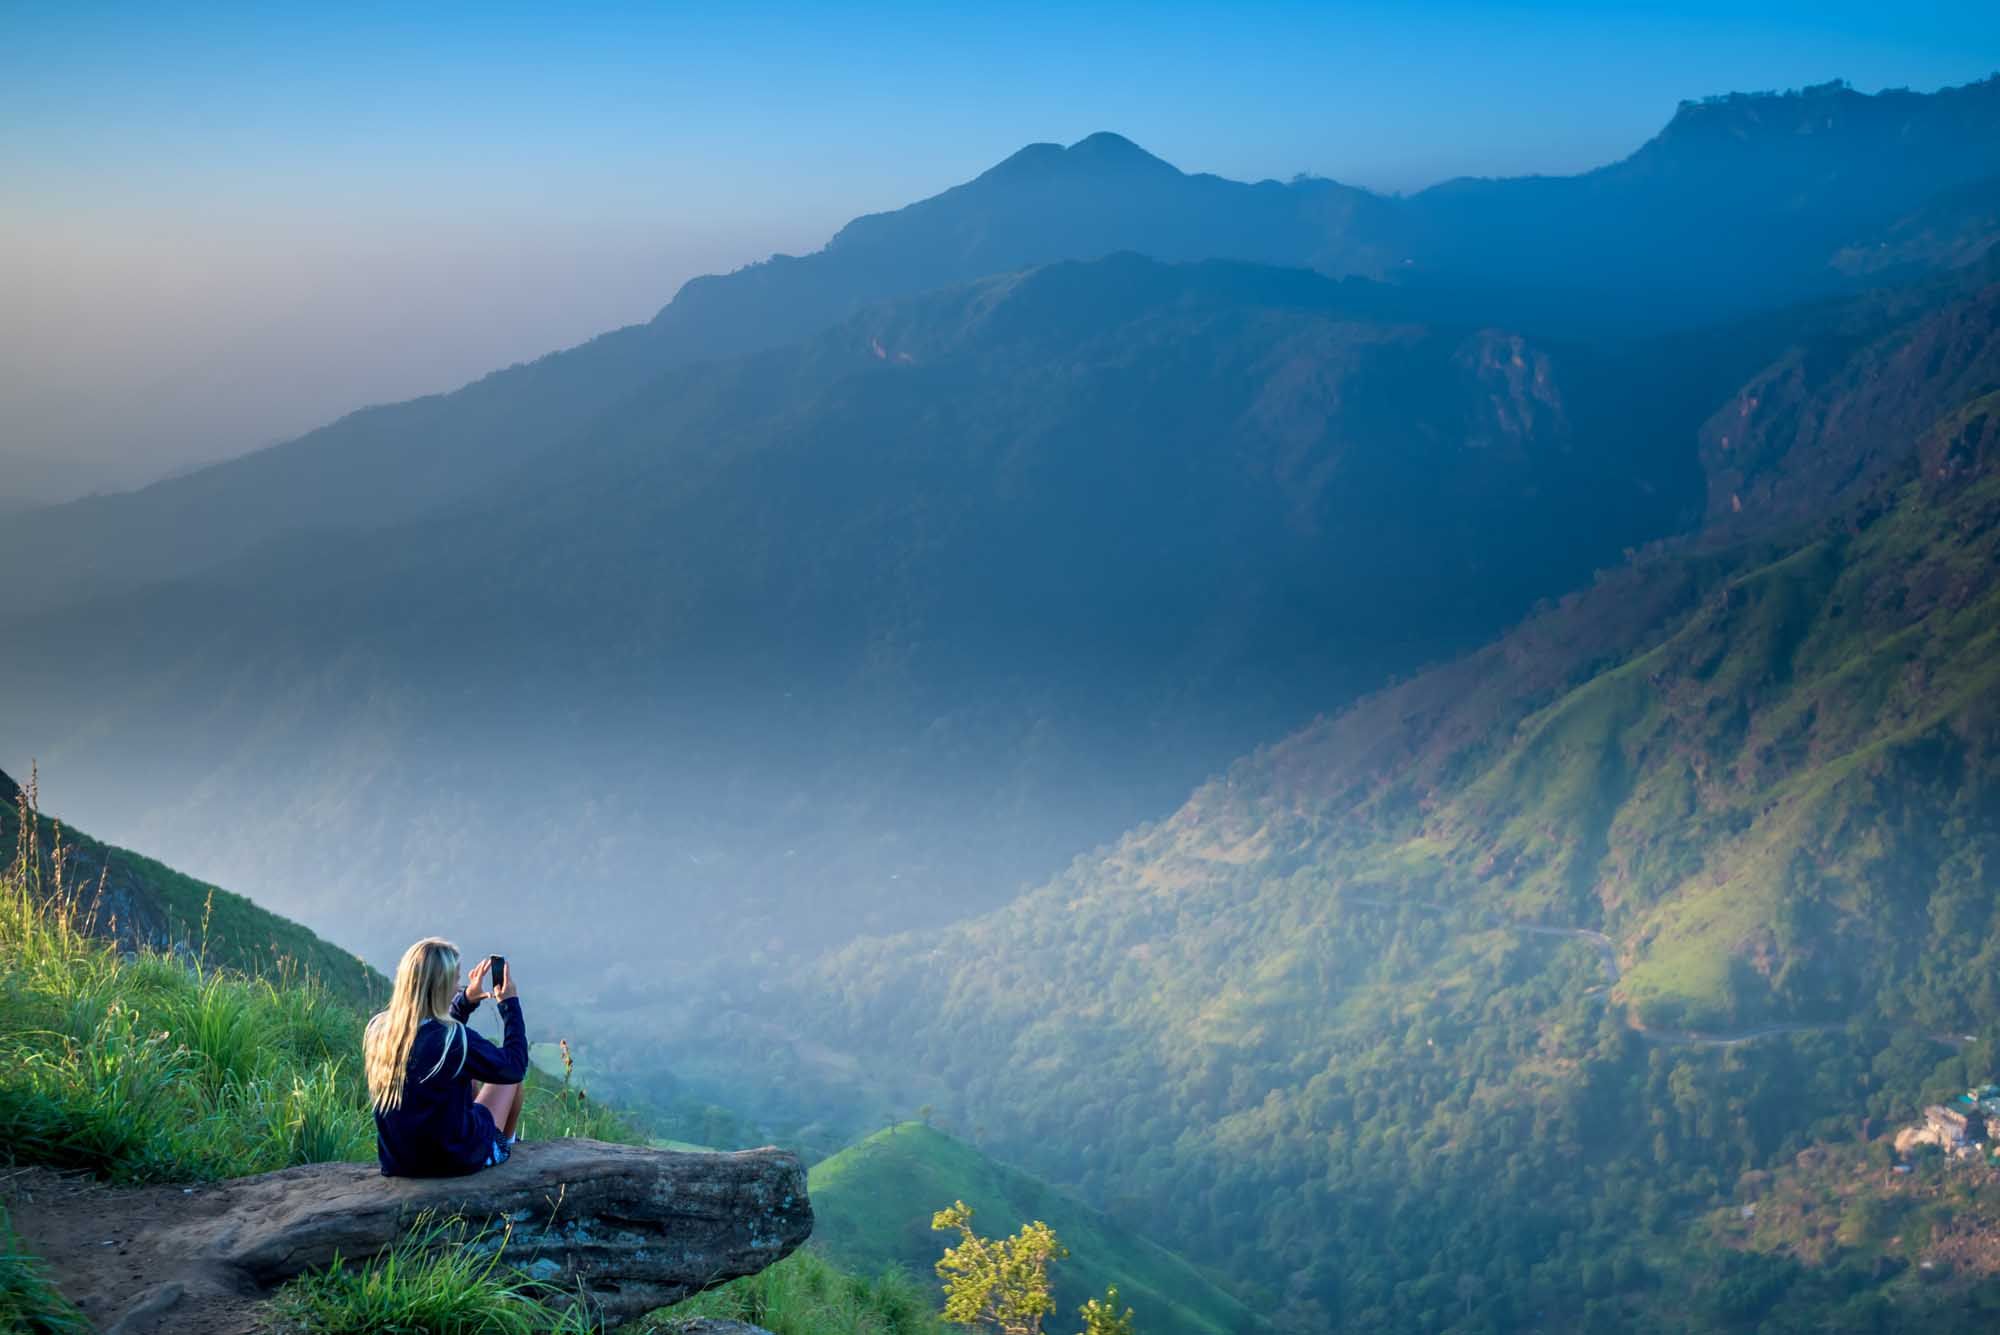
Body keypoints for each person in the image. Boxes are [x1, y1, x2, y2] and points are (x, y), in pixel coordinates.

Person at [364, 936, 528, 1176]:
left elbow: (433, 1040)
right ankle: (503, 1147)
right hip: (454, 1160)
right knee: (512, 1081)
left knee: (466, 1076)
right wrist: (509, 1004)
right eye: (456, 980)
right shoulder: (455, 1039)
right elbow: (514, 1066)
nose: (457, 987)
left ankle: (495, 1144)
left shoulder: (379, 1031)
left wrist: (464, 1003)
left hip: (398, 1162)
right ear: (441, 985)